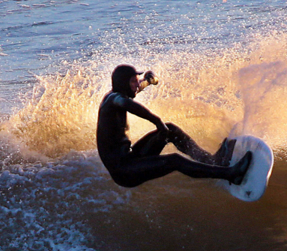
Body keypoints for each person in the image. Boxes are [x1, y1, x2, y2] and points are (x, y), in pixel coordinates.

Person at [96, 64, 252, 189]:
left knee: (169, 129)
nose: (136, 84)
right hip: (124, 171)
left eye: (136, 80)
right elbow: (128, 104)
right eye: (132, 81)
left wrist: (148, 80)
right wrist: (156, 121)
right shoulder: (114, 100)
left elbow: (136, 89)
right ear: (123, 84)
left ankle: (211, 161)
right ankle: (230, 174)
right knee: (174, 161)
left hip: (131, 157)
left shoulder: (119, 93)